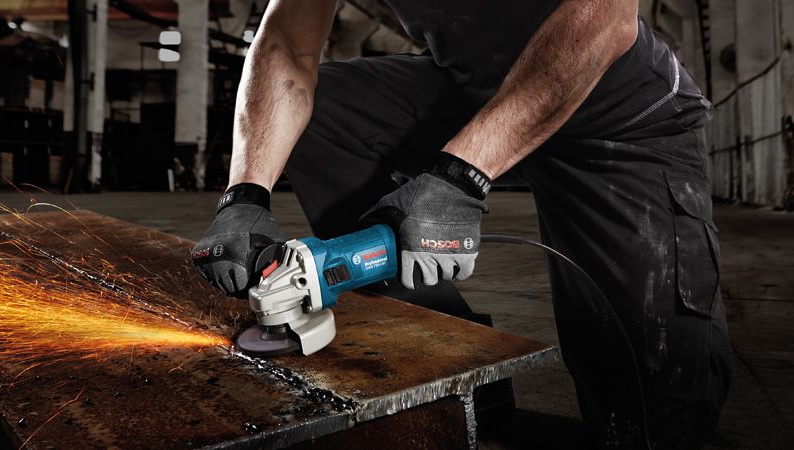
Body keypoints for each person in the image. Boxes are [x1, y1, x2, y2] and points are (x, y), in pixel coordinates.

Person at [192, 1, 730, 448]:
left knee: (649, 415)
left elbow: (605, 17)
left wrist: (460, 176)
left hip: (618, 121)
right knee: (323, 115)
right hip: (479, 93)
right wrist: (245, 193)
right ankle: (455, 368)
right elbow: (287, 42)